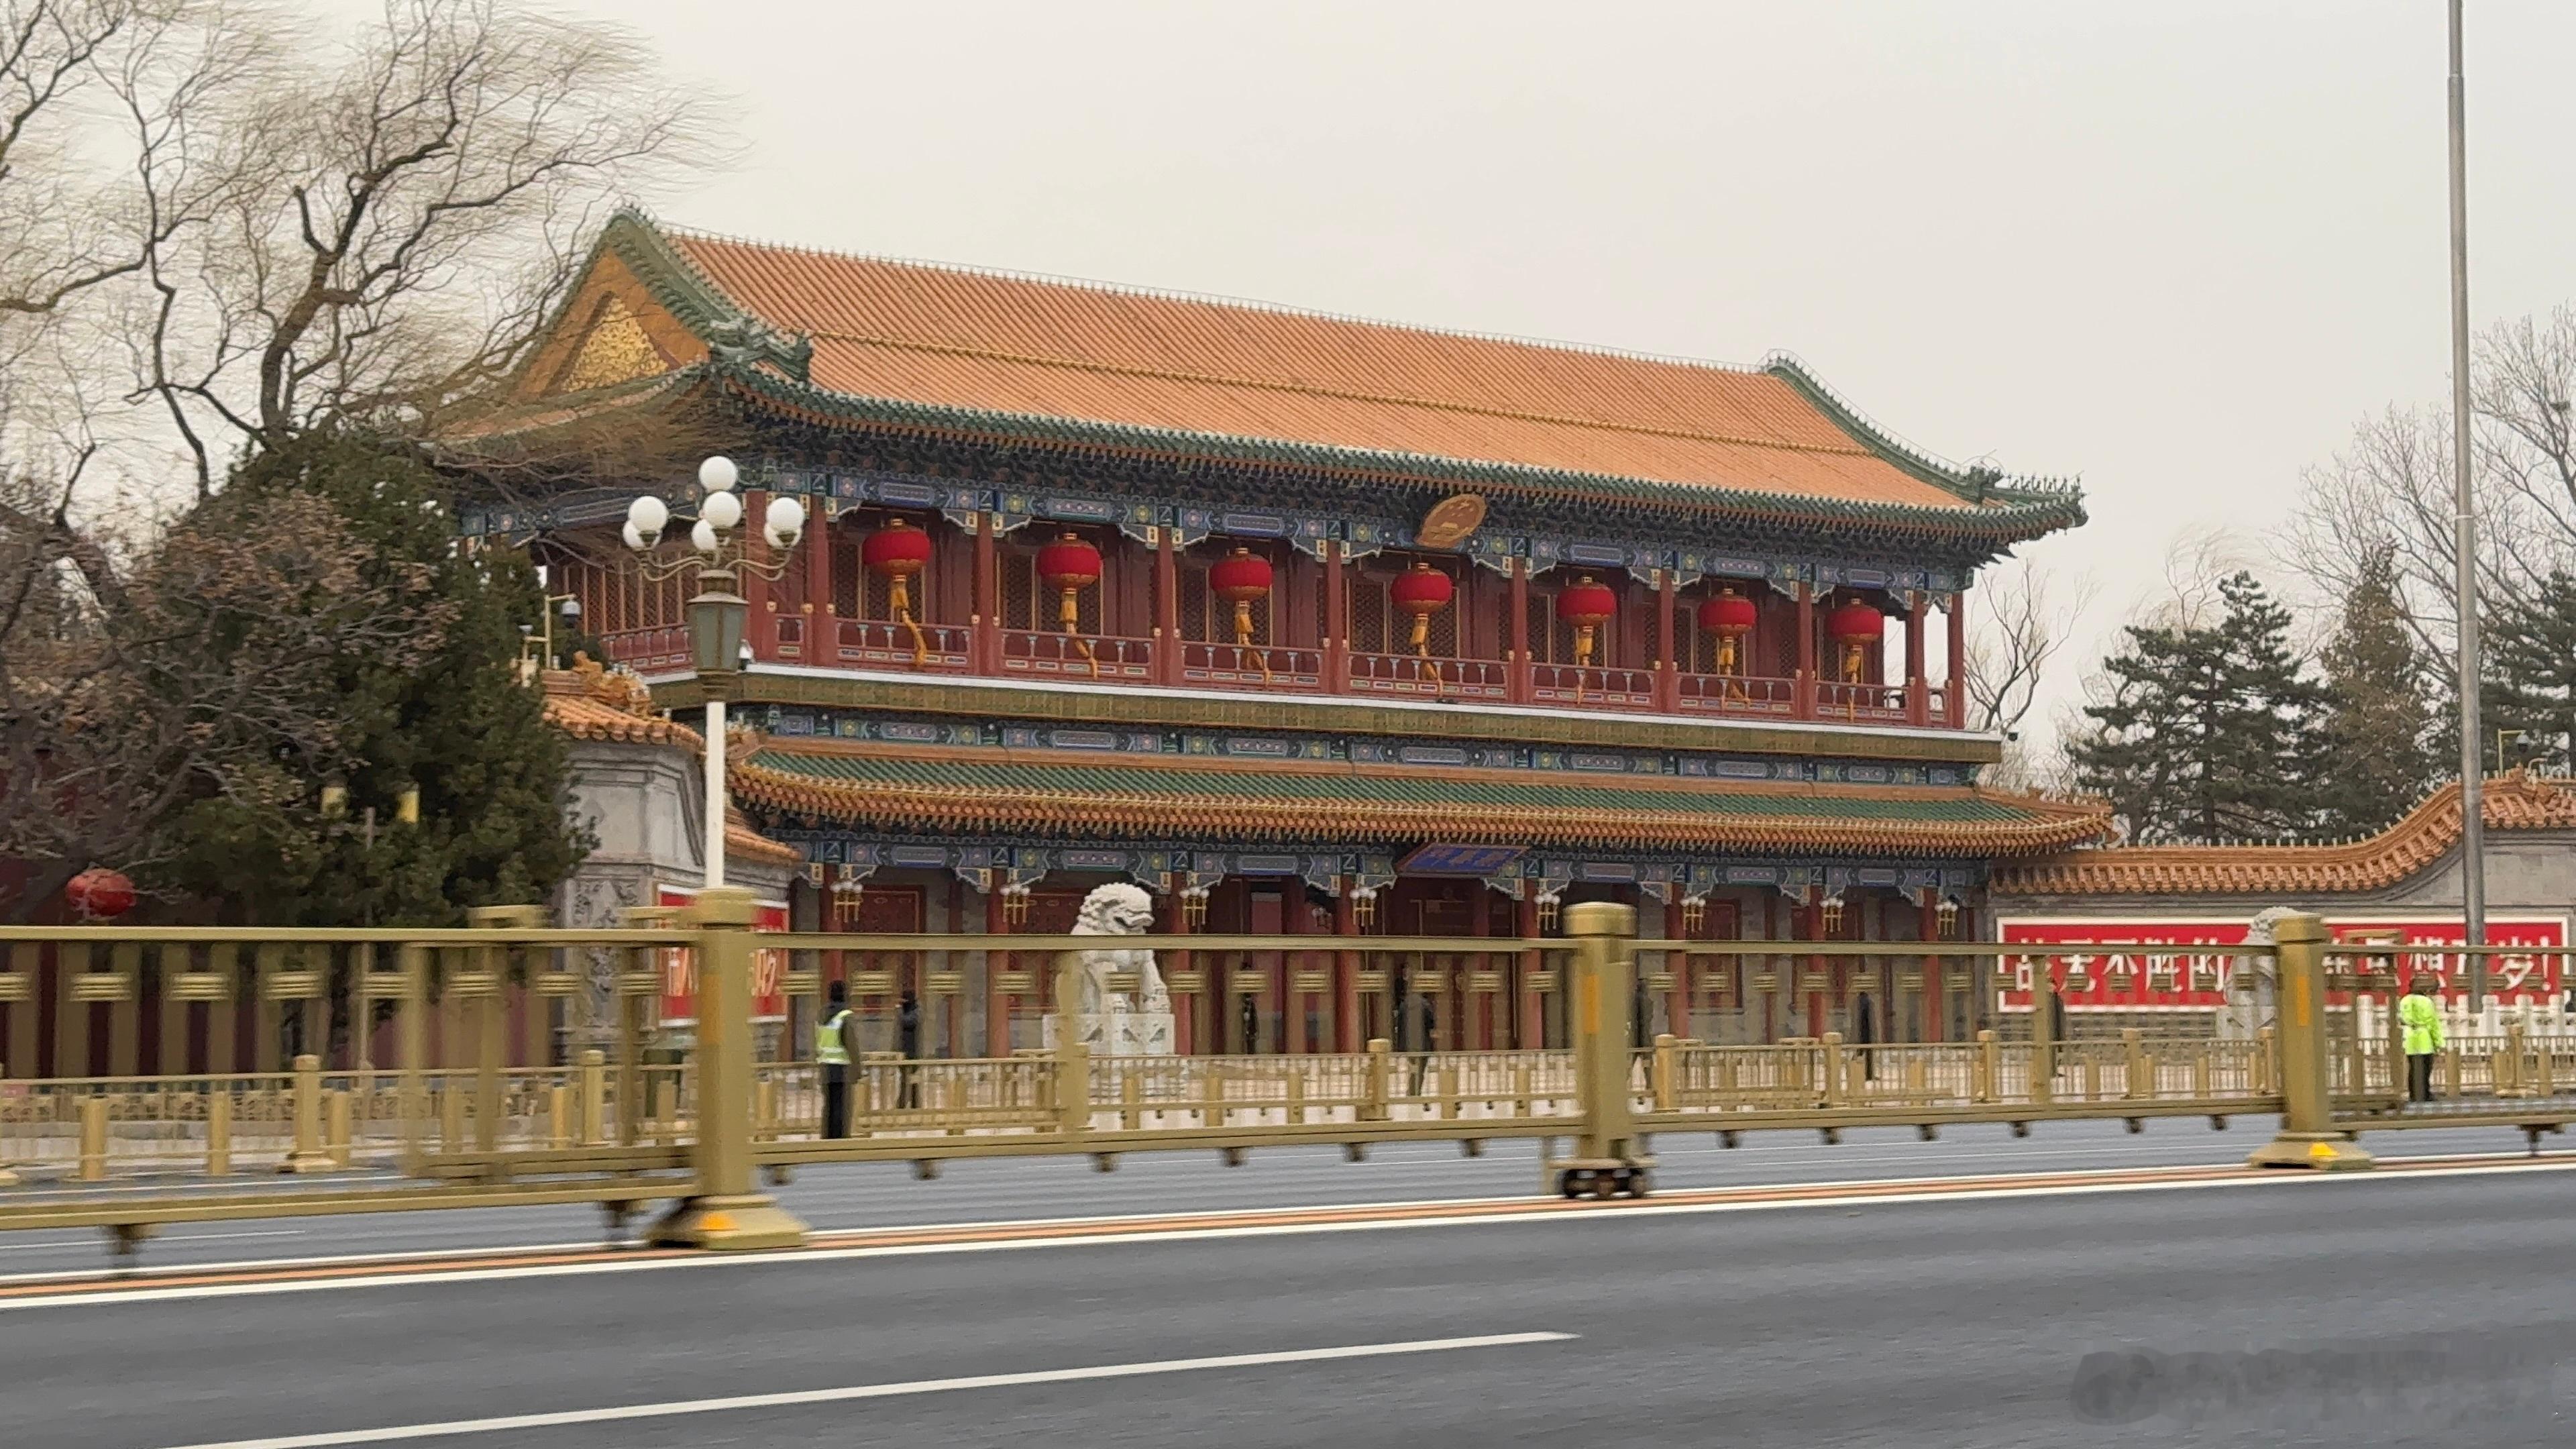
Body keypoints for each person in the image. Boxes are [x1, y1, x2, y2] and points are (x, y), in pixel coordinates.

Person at [2400, 975, 2445, 1104]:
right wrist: (2438, 1042)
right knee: (2425, 1069)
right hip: (2424, 1037)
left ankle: (2413, 1094)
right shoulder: (2427, 1002)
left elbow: (2403, 1018)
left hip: (2410, 1037)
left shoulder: (2404, 1001)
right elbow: (2433, 1024)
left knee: (2413, 1068)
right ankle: (2425, 1093)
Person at [818, 981, 854, 1138]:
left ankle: (827, 1136)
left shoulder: (822, 1015)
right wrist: (858, 1070)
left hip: (825, 1067)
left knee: (828, 1105)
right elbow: (851, 1044)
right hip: (842, 1069)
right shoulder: (845, 1016)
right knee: (841, 1106)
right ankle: (839, 1138)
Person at [896, 990, 922, 1108]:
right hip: (904, 1052)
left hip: (914, 1052)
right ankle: (902, 1104)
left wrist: (899, 1012)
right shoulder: (906, 1012)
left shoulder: (916, 1012)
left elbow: (908, 1022)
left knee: (913, 1080)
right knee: (903, 1079)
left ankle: (915, 1104)